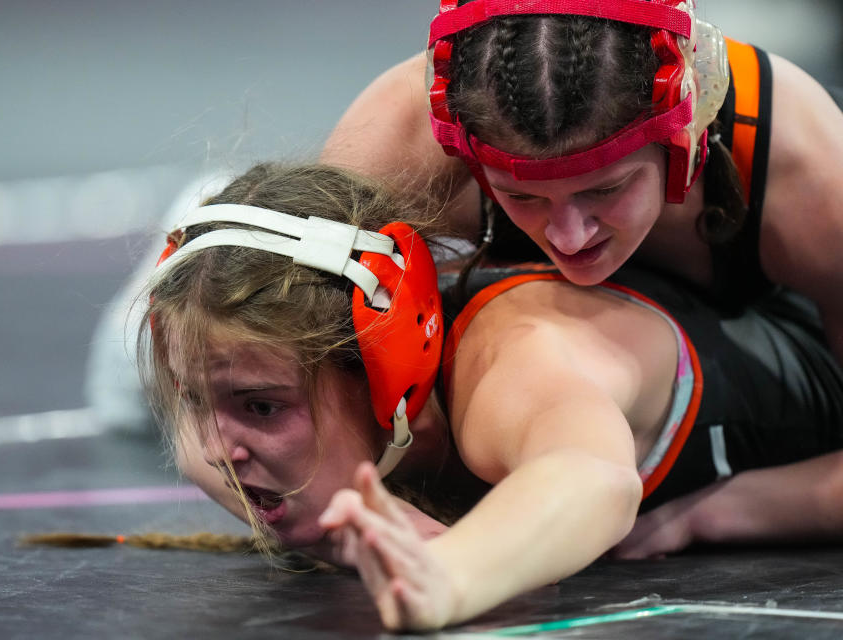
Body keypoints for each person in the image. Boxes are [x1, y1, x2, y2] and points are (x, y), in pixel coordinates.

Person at [141, 161, 843, 631]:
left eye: (260, 407)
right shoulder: (258, 420)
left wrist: (451, 572)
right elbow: (211, 443)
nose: (216, 450)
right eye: (195, 399)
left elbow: (593, 479)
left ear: (386, 371)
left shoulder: (515, 364)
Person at [320, 0, 843, 367]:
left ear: (687, 127)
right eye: (521, 195)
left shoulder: (806, 169)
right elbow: (257, 377)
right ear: (461, 144)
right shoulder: (400, 141)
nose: (570, 237)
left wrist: (716, 512)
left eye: (606, 189)